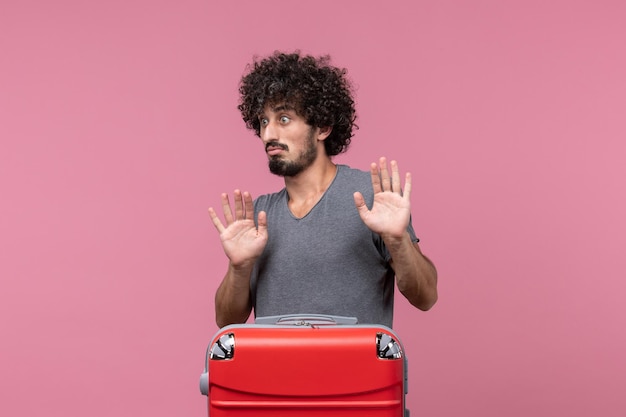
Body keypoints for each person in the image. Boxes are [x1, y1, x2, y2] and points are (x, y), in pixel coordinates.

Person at [208, 51, 437, 328]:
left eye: (283, 119)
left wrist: (398, 240)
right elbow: (227, 321)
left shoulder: (370, 196)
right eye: (263, 121)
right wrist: (239, 267)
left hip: (357, 371)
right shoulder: (259, 215)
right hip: (276, 371)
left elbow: (425, 296)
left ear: (323, 127)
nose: (268, 135)